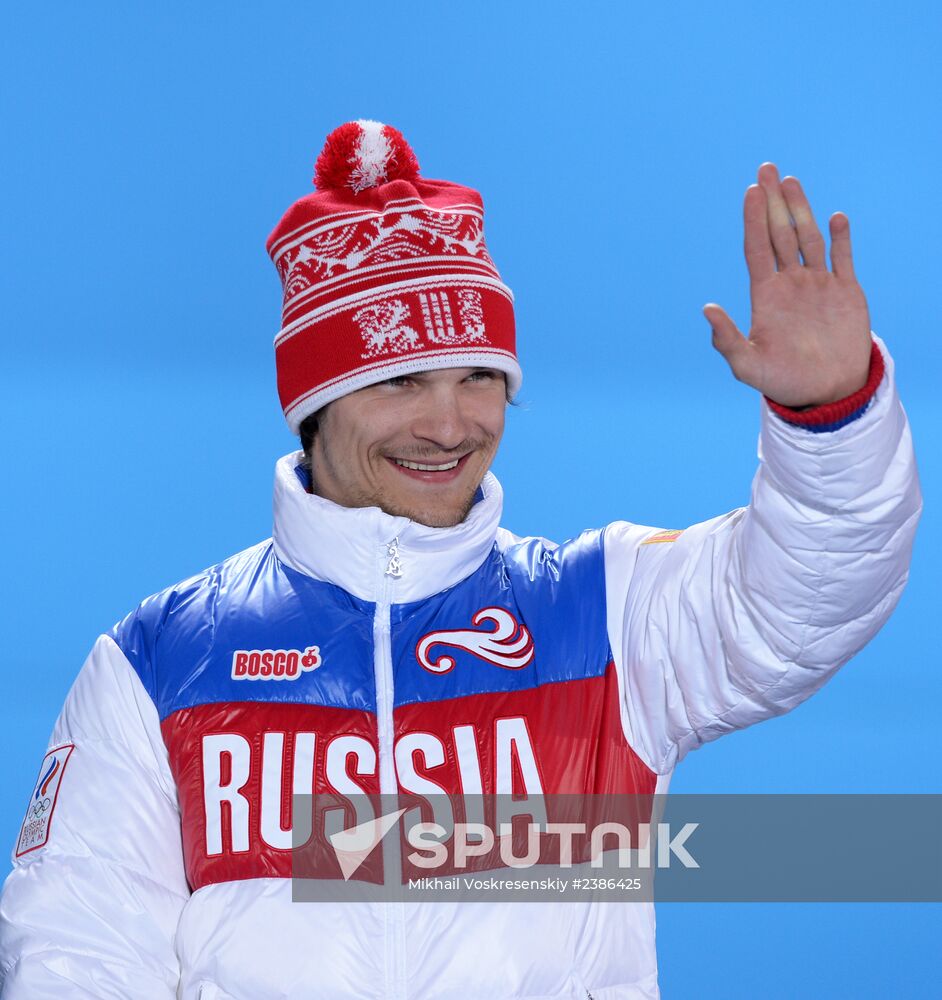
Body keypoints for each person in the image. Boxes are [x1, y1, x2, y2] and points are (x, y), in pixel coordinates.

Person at [0, 119, 921, 999]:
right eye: (400, 381)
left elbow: (807, 595)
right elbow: (79, 957)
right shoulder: (162, 662)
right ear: (313, 406)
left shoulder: (601, 612)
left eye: (479, 376)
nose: (449, 426)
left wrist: (831, 417)